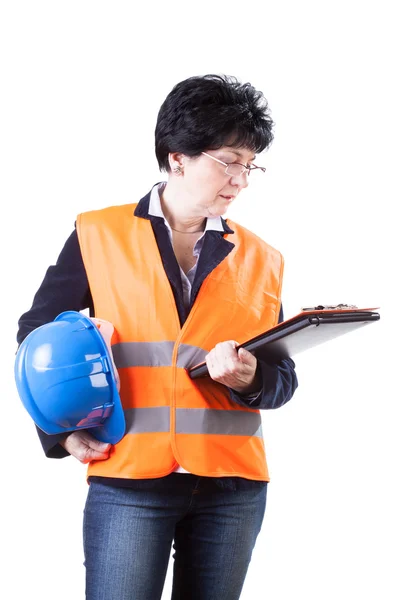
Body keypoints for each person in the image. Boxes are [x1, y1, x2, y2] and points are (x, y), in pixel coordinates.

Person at [17, 74, 298, 600]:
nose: (241, 179)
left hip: (232, 487)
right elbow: (36, 335)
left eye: (250, 164)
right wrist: (60, 432)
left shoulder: (263, 258)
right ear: (177, 158)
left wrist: (251, 375)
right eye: (228, 161)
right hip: (129, 481)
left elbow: (281, 380)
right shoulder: (98, 233)